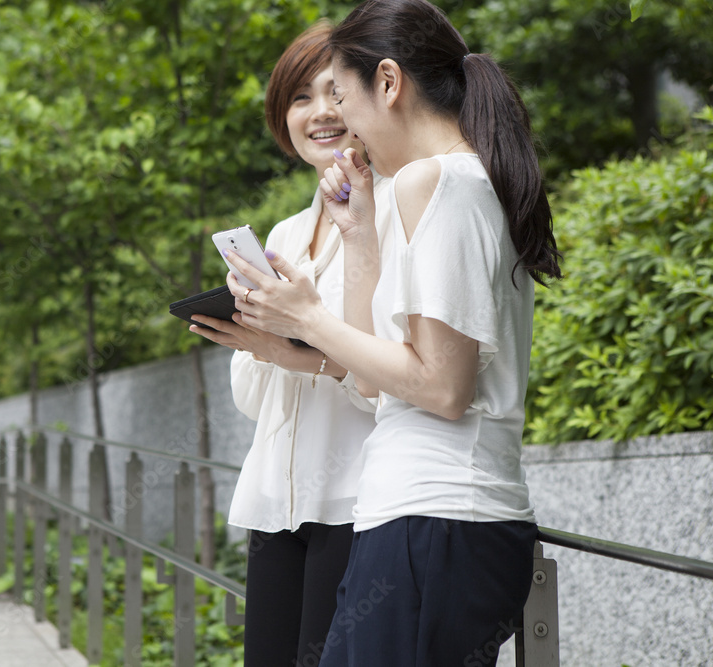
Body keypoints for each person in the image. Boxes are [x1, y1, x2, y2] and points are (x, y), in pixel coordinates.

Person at [221, 0, 563, 664]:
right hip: (421, 519)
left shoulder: (441, 182)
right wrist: (359, 239)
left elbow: (441, 387)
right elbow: (384, 386)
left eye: (343, 97)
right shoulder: (445, 183)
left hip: (436, 518)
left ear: (388, 82)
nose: (340, 121)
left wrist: (305, 319)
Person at [188, 20, 394, 667]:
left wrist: (298, 345)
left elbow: (393, 380)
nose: (321, 112)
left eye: (335, 91)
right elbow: (254, 399)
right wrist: (252, 332)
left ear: (371, 95)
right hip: (276, 499)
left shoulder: (391, 211)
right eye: (300, 97)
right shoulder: (285, 232)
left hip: (356, 496)